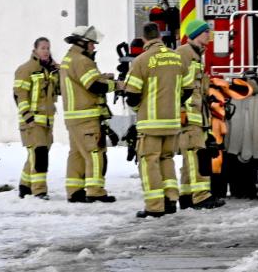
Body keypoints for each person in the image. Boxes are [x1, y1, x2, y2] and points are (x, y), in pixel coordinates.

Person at [125, 23, 192, 218]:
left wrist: (139, 109)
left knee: (149, 162)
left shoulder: (141, 61)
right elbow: (187, 89)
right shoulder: (177, 58)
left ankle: (155, 206)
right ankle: (171, 199)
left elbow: (132, 95)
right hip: (172, 122)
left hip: (150, 123)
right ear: (160, 36)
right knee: (167, 159)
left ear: (144, 38)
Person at [60, 26, 117, 204]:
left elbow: (84, 82)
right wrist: (116, 85)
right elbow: (93, 86)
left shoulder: (68, 59)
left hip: (73, 118)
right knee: (94, 152)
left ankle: (74, 191)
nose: (94, 47)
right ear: (82, 43)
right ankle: (95, 191)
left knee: (76, 154)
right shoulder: (82, 61)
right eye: (92, 44)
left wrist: (103, 77)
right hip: (87, 117)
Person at [175, 18, 223, 209]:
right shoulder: (183, 54)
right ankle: (201, 197)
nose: (209, 35)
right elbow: (176, 85)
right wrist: (180, 110)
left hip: (197, 115)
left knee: (191, 157)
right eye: (205, 32)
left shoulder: (196, 55)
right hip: (189, 115)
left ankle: (187, 196)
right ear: (195, 35)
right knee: (197, 155)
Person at [13, 37, 59, 200]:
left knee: (35, 153)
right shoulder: (25, 69)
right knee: (39, 154)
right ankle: (39, 190)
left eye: (48, 48)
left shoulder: (51, 70)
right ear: (35, 50)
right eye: (43, 48)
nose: (46, 51)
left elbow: (57, 91)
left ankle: (25, 186)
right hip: (32, 121)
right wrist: (27, 116)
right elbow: (20, 94)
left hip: (47, 121)